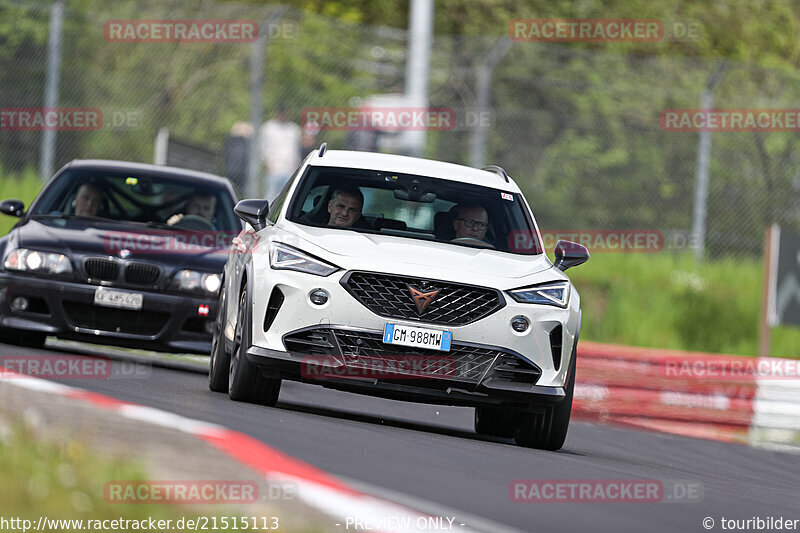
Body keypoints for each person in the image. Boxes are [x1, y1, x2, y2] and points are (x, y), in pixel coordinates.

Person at [260, 103, 301, 202]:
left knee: (287, 197)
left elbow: (296, 149)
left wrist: (295, 165)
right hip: (274, 168)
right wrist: (267, 164)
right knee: (271, 196)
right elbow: (263, 147)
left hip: (289, 169)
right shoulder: (268, 128)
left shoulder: (293, 129)